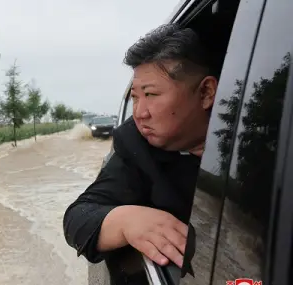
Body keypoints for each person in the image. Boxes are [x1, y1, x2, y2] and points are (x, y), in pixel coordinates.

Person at [63, 23, 219, 283]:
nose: (139, 112)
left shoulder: (256, 143)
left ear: (205, 93)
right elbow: (79, 217)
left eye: (151, 94)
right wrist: (125, 220)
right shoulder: (135, 145)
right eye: (136, 97)